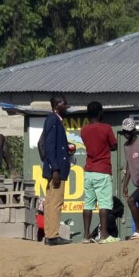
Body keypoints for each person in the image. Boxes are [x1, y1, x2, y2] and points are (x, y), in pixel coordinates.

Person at [79, 101, 120, 244]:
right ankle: (104, 235)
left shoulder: (84, 130)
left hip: (89, 170)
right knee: (104, 204)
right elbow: (114, 145)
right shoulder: (106, 128)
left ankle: (85, 236)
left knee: (88, 204)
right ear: (100, 113)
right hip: (102, 170)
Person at [39, 95, 74, 246]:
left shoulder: (55, 120)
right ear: (56, 105)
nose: (66, 106)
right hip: (56, 171)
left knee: (50, 202)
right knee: (55, 202)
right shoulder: (53, 120)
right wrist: (56, 169)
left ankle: (50, 234)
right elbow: (50, 145)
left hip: (56, 168)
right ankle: (53, 235)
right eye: (64, 103)